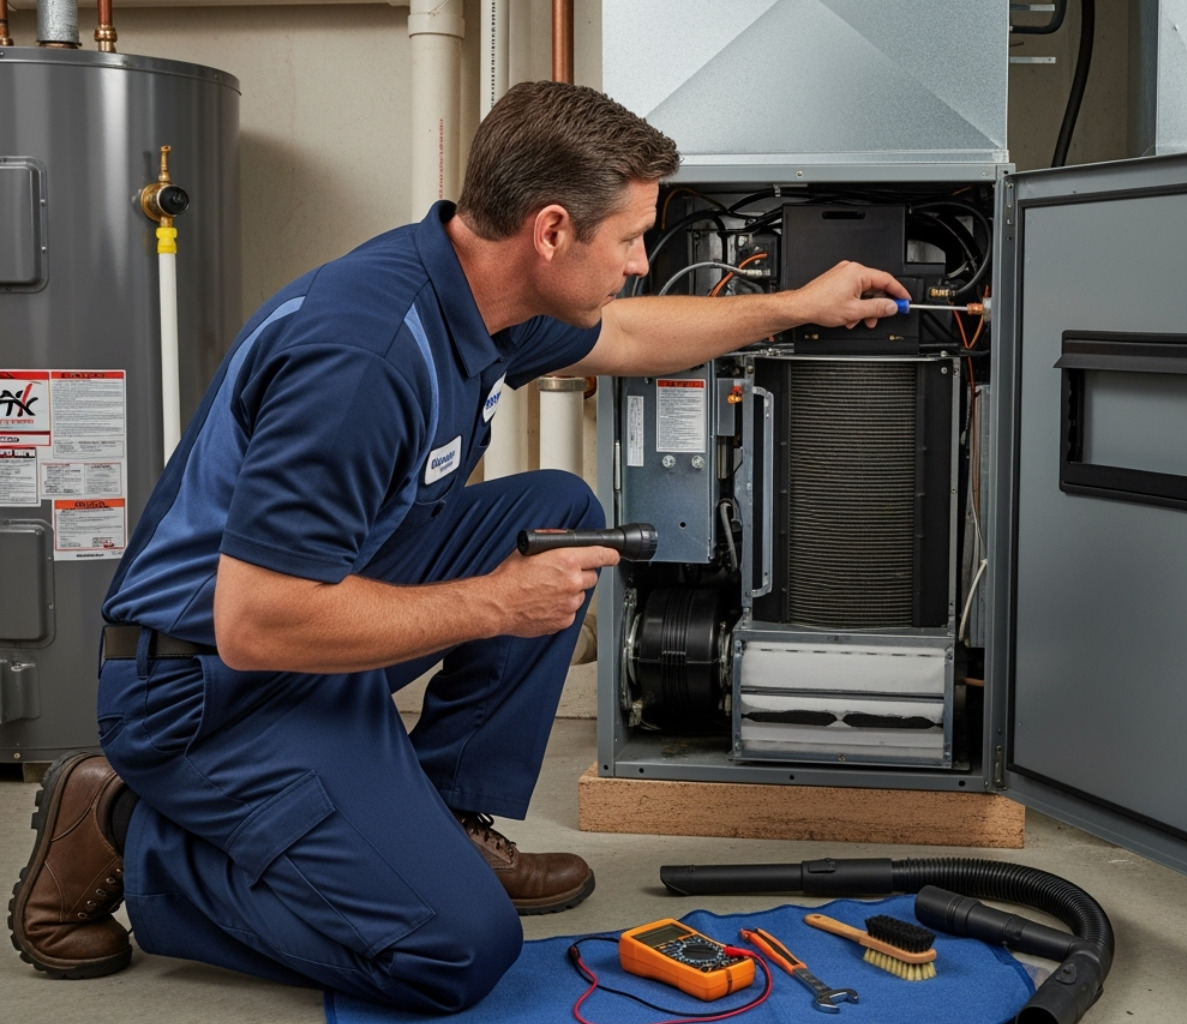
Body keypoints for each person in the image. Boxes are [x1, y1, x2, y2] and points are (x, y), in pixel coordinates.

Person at [7, 80, 908, 1011]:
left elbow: (630, 332)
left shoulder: (473, 293)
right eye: (632, 238)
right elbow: (255, 622)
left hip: (304, 626)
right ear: (552, 231)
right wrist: (495, 603)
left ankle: (437, 816)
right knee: (457, 951)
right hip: (206, 690)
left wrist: (800, 304)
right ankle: (125, 828)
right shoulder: (364, 361)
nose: (641, 263)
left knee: (559, 510)